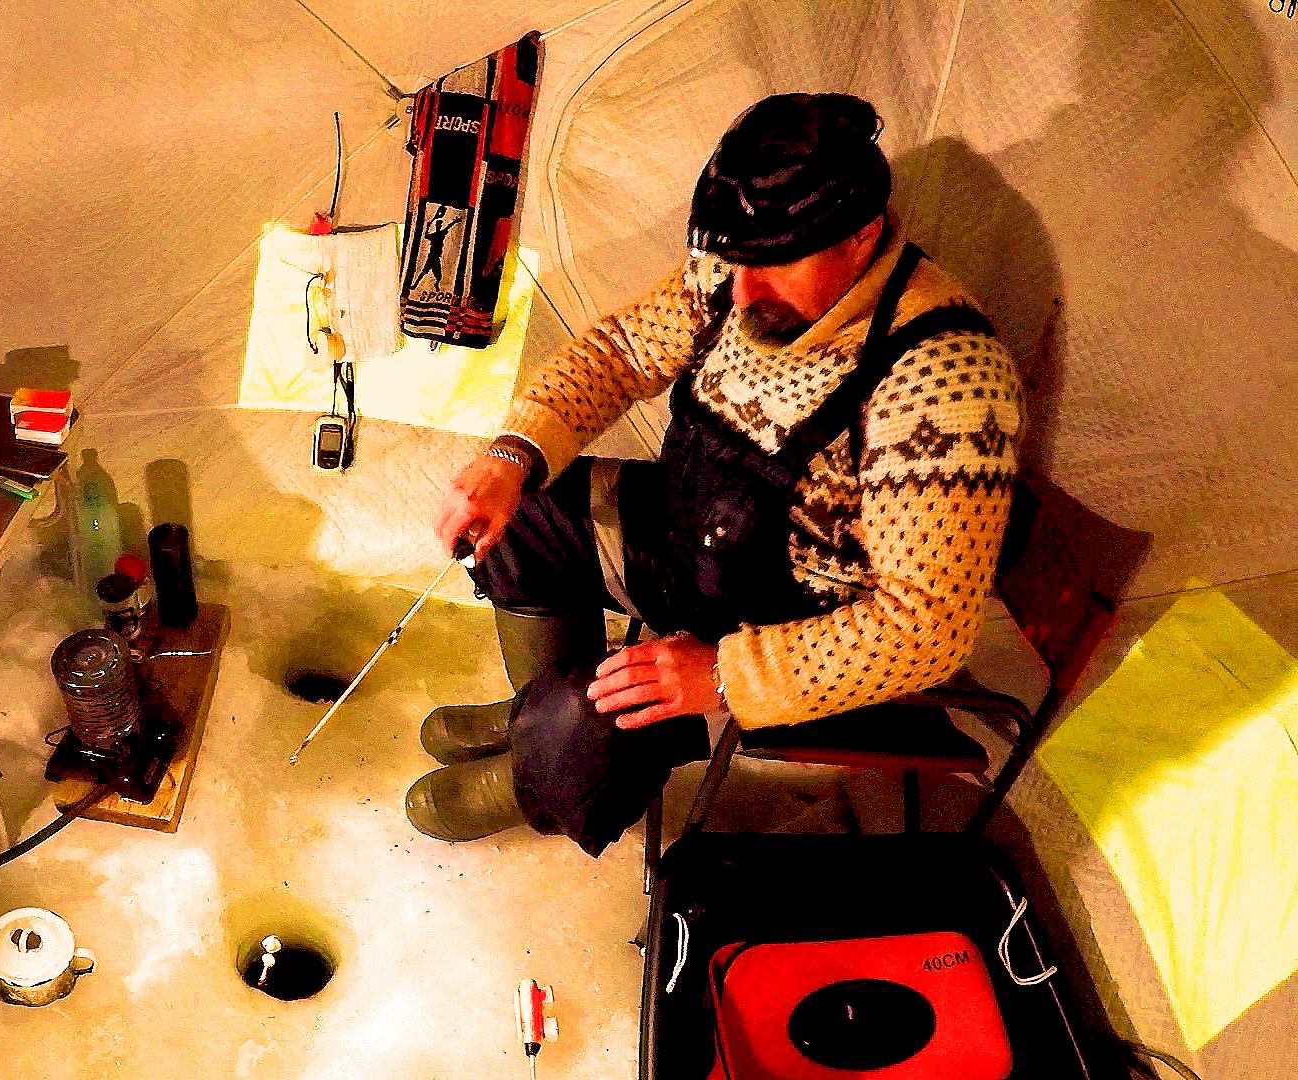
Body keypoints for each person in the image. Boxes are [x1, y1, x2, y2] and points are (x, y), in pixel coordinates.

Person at [405, 93, 1022, 854]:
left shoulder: (943, 377)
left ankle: (551, 759)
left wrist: (729, 675)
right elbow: (620, 352)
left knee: (596, 720)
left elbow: (928, 625)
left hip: (789, 629)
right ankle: (542, 719)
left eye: (774, 266)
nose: (742, 291)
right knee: (525, 516)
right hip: (689, 538)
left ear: (863, 234)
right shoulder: (737, 264)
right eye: (735, 263)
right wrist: (512, 456)